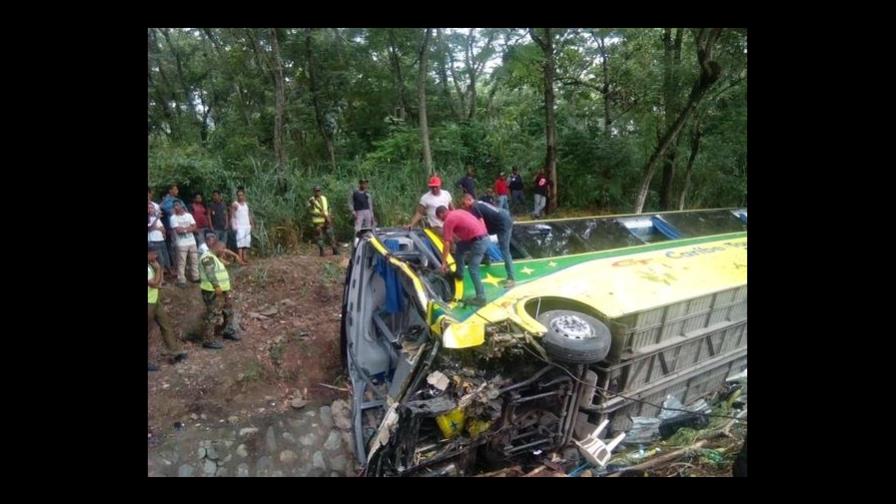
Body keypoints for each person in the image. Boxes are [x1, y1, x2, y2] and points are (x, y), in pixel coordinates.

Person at [436, 205, 489, 306]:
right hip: (482, 237)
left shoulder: (448, 220)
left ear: (441, 214)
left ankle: (481, 298)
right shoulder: (458, 211)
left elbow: (446, 243)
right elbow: (456, 236)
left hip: (479, 242)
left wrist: (443, 263)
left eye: (439, 218)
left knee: (472, 268)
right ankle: (459, 274)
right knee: (459, 248)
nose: (441, 220)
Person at [461, 193, 515, 288]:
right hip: (500, 219)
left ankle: (511, 278)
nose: (463, 206)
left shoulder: (474, 207)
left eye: (464, 203)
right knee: (483, 238)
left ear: (469, 200)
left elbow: (481, 223)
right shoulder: (478, 203)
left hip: (503, 224)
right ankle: (487, 259)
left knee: (504, 250)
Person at [199, 233, 241, 349]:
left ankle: (228, 331)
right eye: (222, 249)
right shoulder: (207, 257)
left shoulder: (216, 258)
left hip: (223, 291)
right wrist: (216, 286)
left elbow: (227, 262)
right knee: (213, 315)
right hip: (212, 291)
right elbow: (210, 273)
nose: (224, 251)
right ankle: (208, 340)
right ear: (217, 248)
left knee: (228, 311)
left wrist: (233, 255)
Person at [148, 245, 186, 371]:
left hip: (154, 300)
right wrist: (159, 269)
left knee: (166, 325)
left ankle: (175, 352)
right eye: (153, 254)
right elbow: (154, 283)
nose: (156, 256)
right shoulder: (152, 267)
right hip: (149, 302)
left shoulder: (150, 266)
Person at [169, 201, 200, 287]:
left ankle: (195, 277)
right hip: (181, 243)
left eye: (177, 205)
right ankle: (181, 280)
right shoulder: (173, 218)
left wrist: (185, 229)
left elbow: (195, 227)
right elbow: (178, 231)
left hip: (192, 241)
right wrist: (189, 228)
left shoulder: (189, 215)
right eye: (174, 206)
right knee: (181, 262)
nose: (175, 207)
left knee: (194, 260)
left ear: (182, 206)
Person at [308, 185, 339, 256]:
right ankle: (322, 251)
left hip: (326, 221)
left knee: (331, 235)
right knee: (319, 237)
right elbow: (311, 212)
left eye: (319, 191)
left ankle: (335, 250)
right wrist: (321, 214)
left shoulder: (324, 198)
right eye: (316, 191)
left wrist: (329, 215)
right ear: (314, 192)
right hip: (318, 222)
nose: (318, 192)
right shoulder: (311, 200)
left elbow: (328, 208)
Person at [148, 188, 173, 277]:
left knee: (165, 257)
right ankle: (158, 278)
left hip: (160, 238)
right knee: (158, 259)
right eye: (149, 208)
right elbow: (150, 227)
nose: (151, 209)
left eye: (152, 208)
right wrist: (156, 222)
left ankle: (166, 273)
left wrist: (163, 230)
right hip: (152, 240)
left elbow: (159, 222)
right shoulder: (152, 218)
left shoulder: (156, 206)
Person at [230, 188, 254, 264]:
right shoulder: (235, 204)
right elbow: (232, 215)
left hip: (247, 226)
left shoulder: (246, 204)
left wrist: (251, 223)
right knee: (240, 243)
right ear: (237, 196)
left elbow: (248, 214)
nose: (240, 197)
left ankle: (245, 257)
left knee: (246, 242)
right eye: (239, 195)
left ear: (244, 195)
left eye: (241, 195)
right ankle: (240, 259)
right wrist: (233, 226)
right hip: (239, 226)